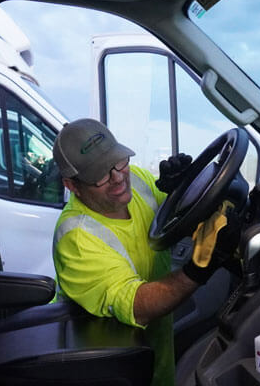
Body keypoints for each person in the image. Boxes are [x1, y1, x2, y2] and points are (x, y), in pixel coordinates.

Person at [52, 119, 239, 386]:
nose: (118, 178)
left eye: (119, 161)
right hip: (109, 364)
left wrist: (184, 187)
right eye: (100, 175)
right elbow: (137, 305)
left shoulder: (134, 179)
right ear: (72, 185)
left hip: (153, 342)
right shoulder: (76, 237)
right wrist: (199, 269)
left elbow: (173, 216)